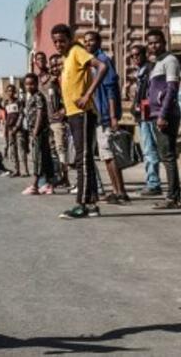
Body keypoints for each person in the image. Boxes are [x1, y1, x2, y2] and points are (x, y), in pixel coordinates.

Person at [53, 24, 109, 219]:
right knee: (85, 160)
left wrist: (87, 95)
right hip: (73, 113)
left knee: (82, 159)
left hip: (83, 113)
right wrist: (63, 110)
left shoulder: (77, 51)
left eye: (62, 40)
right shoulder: (66, 57)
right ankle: (92, 204)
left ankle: (82, 204)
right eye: (55, 42)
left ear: (70, 39)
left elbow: (102, 66)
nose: (58, 44)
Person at [84, 30, 129, 205]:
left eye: (91, 40)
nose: (88, 44)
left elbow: (111, 90)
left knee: (111, 156)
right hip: (99, 116)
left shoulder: (103, 60)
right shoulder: (91, 62)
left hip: (106, 116)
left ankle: (121, 192)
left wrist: (112, 117)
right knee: (106, 157)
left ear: (99, 42)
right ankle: (116, 190)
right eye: (86, 41)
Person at [145, 28, 181, 210]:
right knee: (164, 156)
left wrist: (163, 115)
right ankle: (173, 196)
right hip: (156, 115)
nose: (153, 46)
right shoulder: (157, 63)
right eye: (150, 43)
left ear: (164, 42)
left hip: (166, 115)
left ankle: (173, 198)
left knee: (168, 157)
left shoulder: (170, 60)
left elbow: (172, 89)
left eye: (156, 42)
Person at [130, 44, 162, 197]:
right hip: (143, 115)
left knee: (150, 150)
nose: (135, 58)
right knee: (147, 149)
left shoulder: (150, 69)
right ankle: (151, 181)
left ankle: (153, 183)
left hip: (148, 115)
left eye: (137, 55)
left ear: (144, 55)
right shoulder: (141, 72)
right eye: (132, 56)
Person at [21, 73, 57, 195]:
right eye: (27, 84)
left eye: (32, 84)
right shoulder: (30, 97)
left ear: (36, 84)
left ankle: (35, 185)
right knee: (46, 158)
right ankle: (49, 185)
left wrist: (35, 131)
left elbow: (40, 113)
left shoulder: (38, 96)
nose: (29, 86)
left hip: (40, 131)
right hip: (36, 131)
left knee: (38, 158)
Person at [44, 53, 71, 188]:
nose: (55, 68)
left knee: (61, 149)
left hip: (59, 122)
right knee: (54, 150)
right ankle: (59, 176)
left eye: (57, 65)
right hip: (50, 122)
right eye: (52, 65)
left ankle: (65, 178)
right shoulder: (51, 81)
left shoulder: (64, 79)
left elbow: (70, 97)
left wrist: (63, 111)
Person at [1, 84, 26, 177]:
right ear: (6, 93)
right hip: (10, 129)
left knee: (21, 149)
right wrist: (6, 129)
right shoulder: (6, 104)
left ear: (14, 92)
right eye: (8, 91)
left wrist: (17, 126)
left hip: (18, 129)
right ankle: (16, 170)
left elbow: (21, 115)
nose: (10, 93)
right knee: (13, 150)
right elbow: (5, 117)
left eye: (12, 91)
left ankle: (25, 170)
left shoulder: (18, 102)